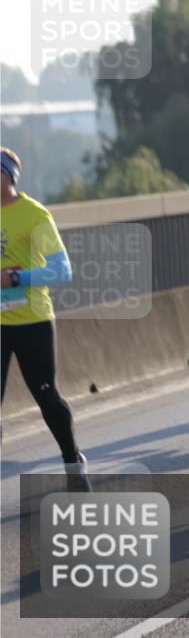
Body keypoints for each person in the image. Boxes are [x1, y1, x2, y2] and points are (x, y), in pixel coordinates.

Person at [1, 147, 90, 492]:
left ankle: (73, 461)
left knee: (46, 396)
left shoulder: (33, 215)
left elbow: (61, 270)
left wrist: (17, 279)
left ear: (7, 176)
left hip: (32, 321)